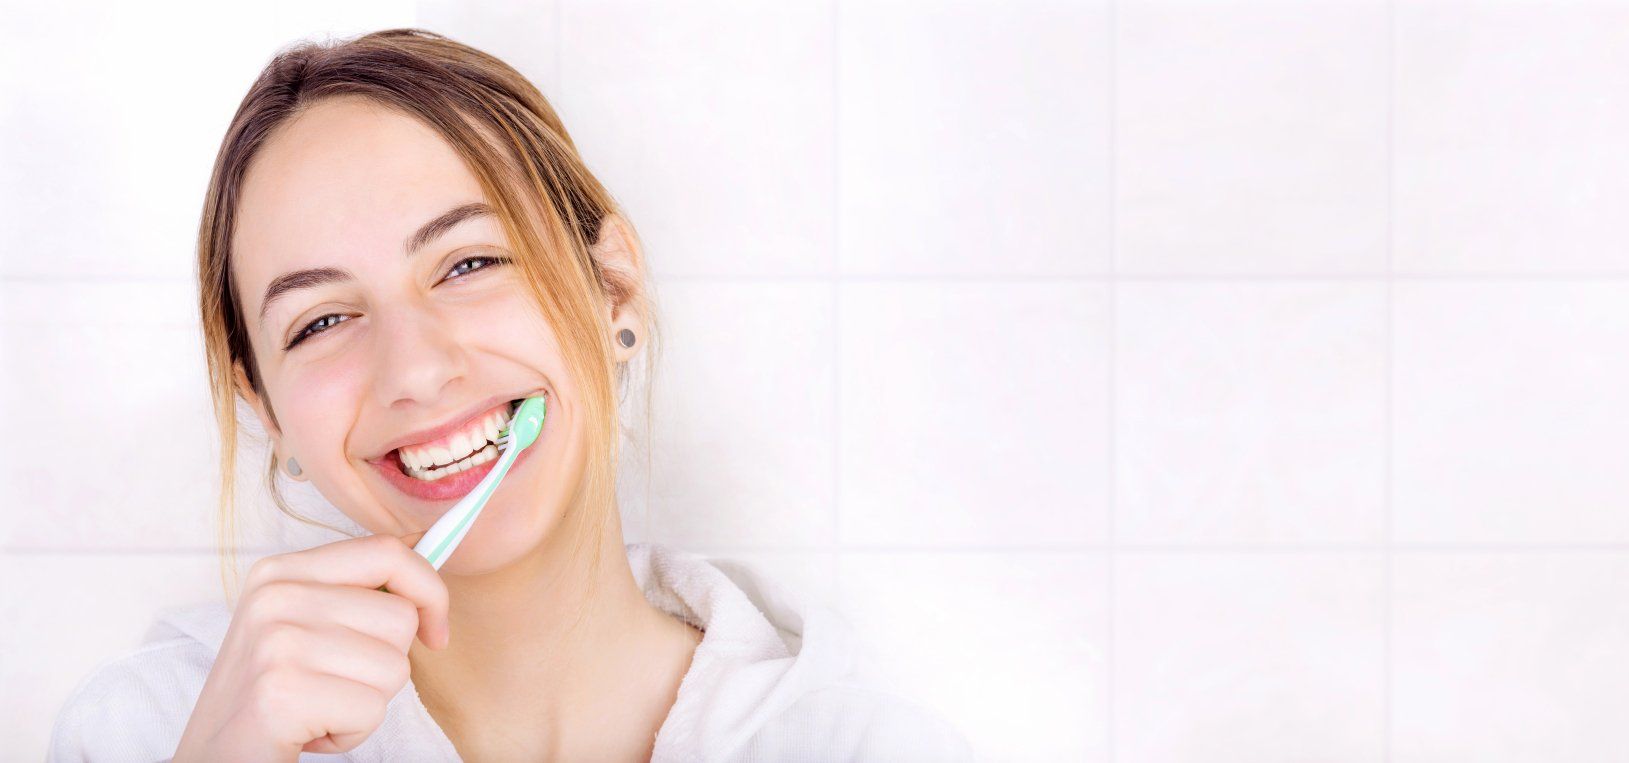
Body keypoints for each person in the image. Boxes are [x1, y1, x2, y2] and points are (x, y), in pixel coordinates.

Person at [45, 28, 970, 762]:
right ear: (268, 411)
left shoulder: (861, 746)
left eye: (471, 262)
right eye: (322, 321)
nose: (414, 370)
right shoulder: (146, 731)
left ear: (612, 286)